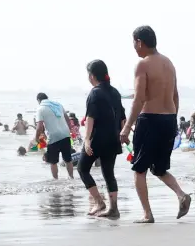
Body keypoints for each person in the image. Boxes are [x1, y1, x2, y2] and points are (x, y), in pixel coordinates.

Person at [120, 25, 189, 222]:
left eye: (134, 43)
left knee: (138, 168)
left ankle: (147, 214)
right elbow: (175, 95)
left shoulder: (143, 64)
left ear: (139, 42)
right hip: (169, 119)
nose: (134, 47)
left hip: (150, 119)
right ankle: (181, 194)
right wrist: (174, 120)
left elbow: (139, 98)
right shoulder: (169, 63)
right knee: (158, 168)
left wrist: (126, 127)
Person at [81, 59, 126, 217]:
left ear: (92, 76)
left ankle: (100, 203)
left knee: (82, 169)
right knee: (108, 173)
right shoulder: (115, 92)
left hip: (97, 139)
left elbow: (90, 118)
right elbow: (122, 116)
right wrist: (124, 133)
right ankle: (113, 209)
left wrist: (87, 140)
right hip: (113, 138)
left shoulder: (94, 92)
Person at [35, 91, 76, 180]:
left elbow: (39, 127)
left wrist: (36, 139)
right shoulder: (58, 105)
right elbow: (68, 120)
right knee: (68, 159)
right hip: (65, 135)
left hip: (53, 137)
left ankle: (56, 180)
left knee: (53, 162)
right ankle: (71, 177)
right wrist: (68, 132)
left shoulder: (40, 109)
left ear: (38, 100)